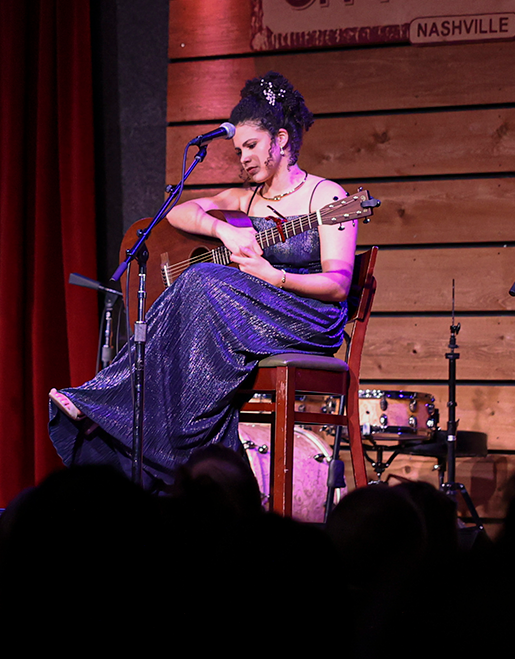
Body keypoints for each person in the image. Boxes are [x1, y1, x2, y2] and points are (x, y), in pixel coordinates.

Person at [47, 71, 359, 491]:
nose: (243, 157)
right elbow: (177, 213)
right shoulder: (244, 198)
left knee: (203, 278)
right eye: (238, 149)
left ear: (281, 140)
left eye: (251, 146)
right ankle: (175, 443)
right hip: (249, 312)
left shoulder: (328, 198)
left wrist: (276, 276)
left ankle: (111, 404)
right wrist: (225, 231)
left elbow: (338, 285)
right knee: (201, 296)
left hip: (307, 316)